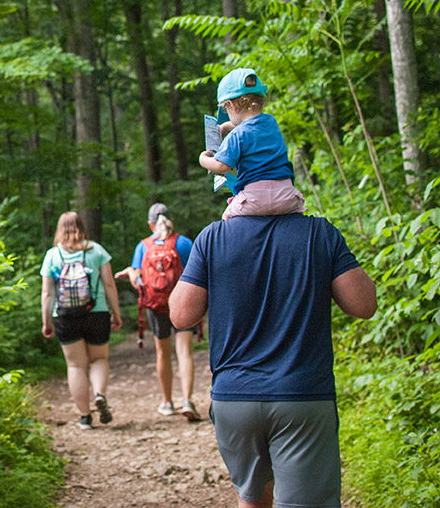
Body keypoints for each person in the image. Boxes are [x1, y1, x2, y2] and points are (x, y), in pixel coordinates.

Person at [169, 213, 377, 508]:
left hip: (235, 400)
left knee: (252, 500)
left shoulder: (212, 238)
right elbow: (364, 305)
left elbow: (180, 315)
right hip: (302, 396)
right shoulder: (319, 233)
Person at [114, 203, 200, 421]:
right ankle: (188, 400)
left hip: (156, 305)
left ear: (150, 224)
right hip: (182, 302)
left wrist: (130, 274)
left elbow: (138, 280)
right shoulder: (184, 243)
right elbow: (196, 274)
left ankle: (167, 402)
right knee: (184, 352)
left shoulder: (143, 246)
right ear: (171, 220)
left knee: (163, 352)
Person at [41, 212, 123, 430]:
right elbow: (108, 285)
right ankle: (99, 394)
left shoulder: (52, 255)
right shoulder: (96, 250)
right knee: (99, 359)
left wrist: (46, 321)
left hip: (65, 316)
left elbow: (47, 293)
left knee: (76, 365)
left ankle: (85, 417)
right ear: (81, 227)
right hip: (96, 313)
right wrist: (116, 313)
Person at [199, 68, 305, 220]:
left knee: (226, 219)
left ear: (232, 105)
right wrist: (227, 127)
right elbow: (253, 129)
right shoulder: (271, 122)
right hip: (287, 196)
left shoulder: (237, 135)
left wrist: (203, 159)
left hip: (256, 199)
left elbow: (222, 166)